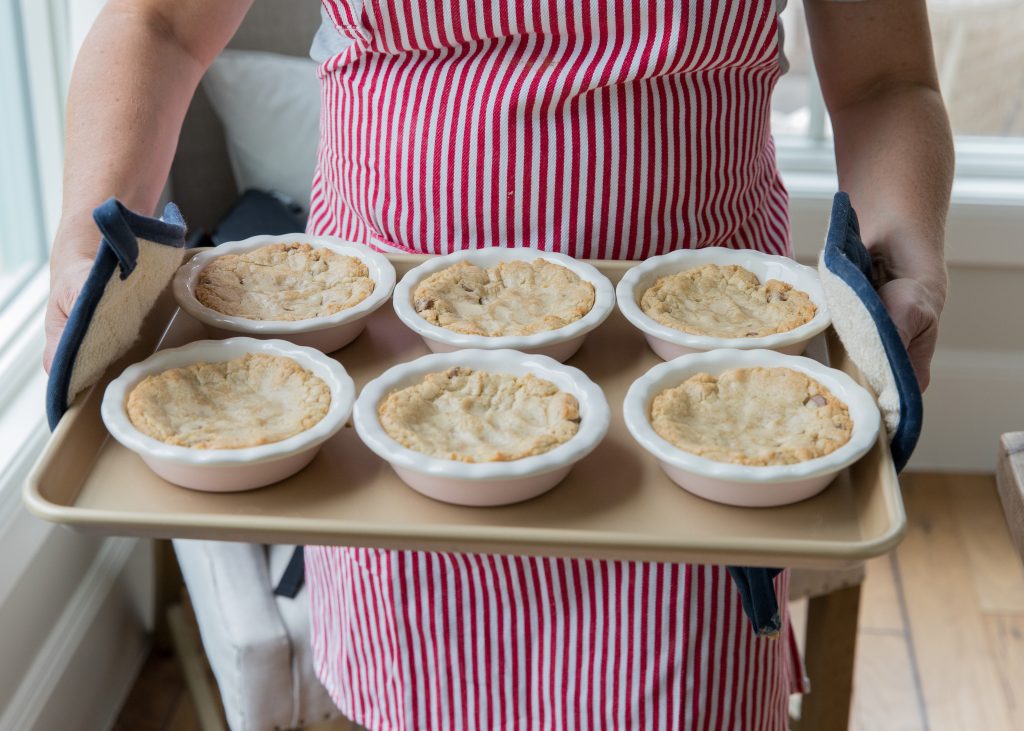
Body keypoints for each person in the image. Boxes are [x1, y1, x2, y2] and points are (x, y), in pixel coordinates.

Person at [45, 1, 953, 728]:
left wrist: (904, 264)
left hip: (695, 403)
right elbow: (157, 24)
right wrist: (90, 258)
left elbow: (885, 82)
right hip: (395, 387)